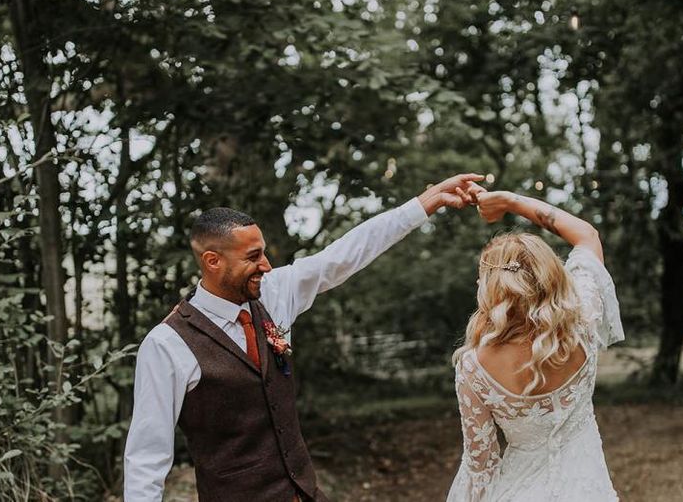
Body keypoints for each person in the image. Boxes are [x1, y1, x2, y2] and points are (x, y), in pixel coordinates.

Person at [123, 173, 483, 502]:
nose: (265, 265)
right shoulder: (167, 344)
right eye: (253, 256)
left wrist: (425, 204)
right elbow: (146, 459)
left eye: (263, 251)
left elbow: (342, 256)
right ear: (213, 261)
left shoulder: (273, 292)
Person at [446, 187, 624, 502]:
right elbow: (587, 236)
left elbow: (481, 467)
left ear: (492, 289)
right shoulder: (582, 320)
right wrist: (512, 202)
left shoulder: (473, 366)